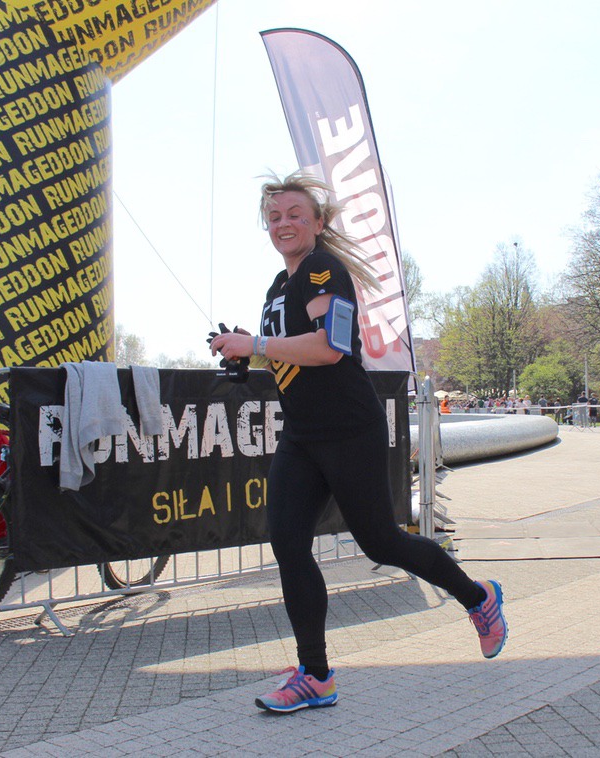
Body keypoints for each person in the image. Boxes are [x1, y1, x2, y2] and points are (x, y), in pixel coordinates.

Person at [208, 172, 507, 713]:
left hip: (349, 429)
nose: (283, 224)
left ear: (319, 222)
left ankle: (477, 597)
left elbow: (330, 348)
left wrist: (255, 344)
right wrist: (244, 355)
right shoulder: (278, 287)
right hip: (302, 434)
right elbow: (287, 354)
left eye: (295, 214)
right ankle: (316, 675)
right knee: (288, 543)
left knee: (381, 543)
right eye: (274, 217)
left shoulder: (324, 269)